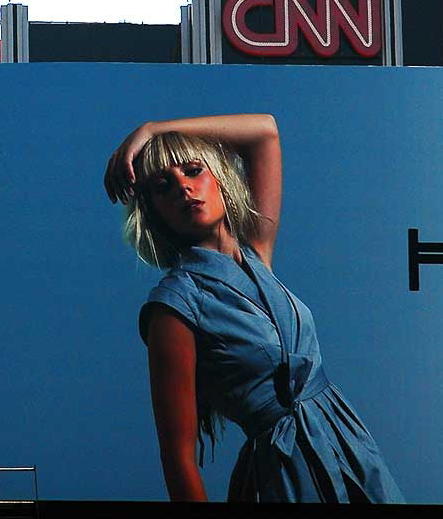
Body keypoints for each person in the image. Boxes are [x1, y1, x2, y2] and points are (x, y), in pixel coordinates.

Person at [104, 114, 404, 503]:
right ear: (153, 211)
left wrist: (152, 130)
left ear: (219, 179)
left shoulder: (256, 254)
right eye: (164, 187)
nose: (184, 188)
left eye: (194, 171)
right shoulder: (173, 308)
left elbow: (265, 131)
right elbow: (177, 458)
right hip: (284, 475)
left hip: (350, 447)